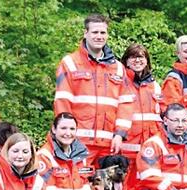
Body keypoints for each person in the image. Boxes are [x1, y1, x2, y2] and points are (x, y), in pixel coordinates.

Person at [53, 14, 131, 166]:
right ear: (86, 33)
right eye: (95, 32)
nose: (99, 36)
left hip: (109, 144)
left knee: (106, 187)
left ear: (107, 35)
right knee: (78, 186)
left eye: (103, 33)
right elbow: (62, 102)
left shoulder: (118, 68)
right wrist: (66, 135)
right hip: (79, 142)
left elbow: (126, 105)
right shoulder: (70, 63)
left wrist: (120, 135)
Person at [118, 43, 165, 190]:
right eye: (133, 57)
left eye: (141, 57)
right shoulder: (120, 83)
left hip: (149, 145)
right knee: (126, 186)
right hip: (127, 145)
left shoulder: (155, 86)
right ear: (126, 60)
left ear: (147, 61)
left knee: (147, 183)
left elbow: (162, 113)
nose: (137, 60)